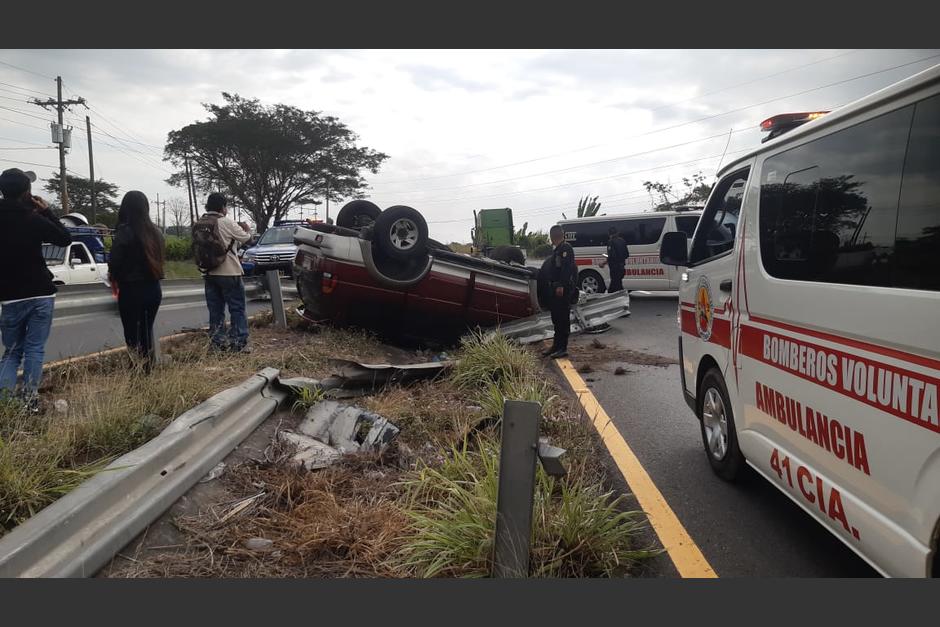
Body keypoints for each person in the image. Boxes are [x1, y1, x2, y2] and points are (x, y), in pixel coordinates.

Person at [0, 168, 72, 410]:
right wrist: (47, 211)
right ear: (26, 192)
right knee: (34, 348)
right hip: (40, 291)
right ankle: (30, 399)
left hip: (9, 295)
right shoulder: (32, 217)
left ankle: (7, 403)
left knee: (11, 352)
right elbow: (64, 238)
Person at [108, 191, 165, 367]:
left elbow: (115, 261)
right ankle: (147, 369)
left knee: (132, 334)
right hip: (154, 288)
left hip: (131, 290)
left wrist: (114, 275)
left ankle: (137, 371)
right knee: (146, 332)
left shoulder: (125, 231)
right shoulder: (156, 232)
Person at [194, 193, 252, 352]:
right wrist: (246, 229)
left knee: (215, 310)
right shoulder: (226, 222)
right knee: (237, 308)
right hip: (229, 272)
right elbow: (248, 239)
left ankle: (217, 344)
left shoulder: (199, 223)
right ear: (222, 207)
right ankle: (239, 343)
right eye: (226, 206)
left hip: (209, 272)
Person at [543, 225, 578, 359]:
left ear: (552, 237)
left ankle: (563, 348)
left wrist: (561, 286)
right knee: (556, 318)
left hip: (562, 290)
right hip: (555, 289)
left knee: (563, 319)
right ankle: (556, 346)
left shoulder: (566, 249)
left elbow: (567, 269)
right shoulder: (558, 249)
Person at [600, 226, 629, 292]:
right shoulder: (622, 241)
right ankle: (621, 297)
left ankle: (613, 298)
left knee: (614, 286)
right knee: (618, 284)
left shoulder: (611, 242)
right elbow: (627, 254)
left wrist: (604, 262)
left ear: (609, 234)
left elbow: (612, 256)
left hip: (614, 268)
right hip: (622, 267)